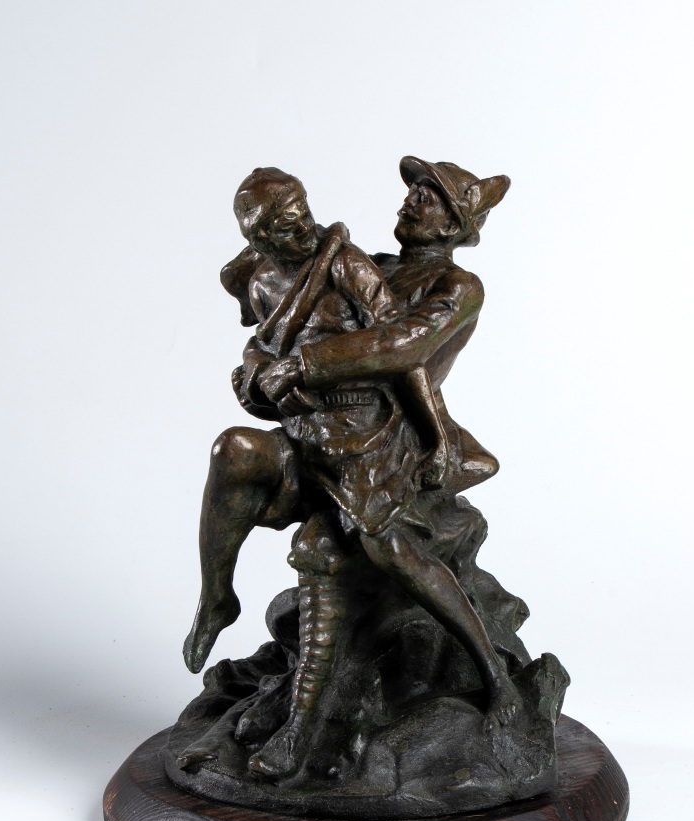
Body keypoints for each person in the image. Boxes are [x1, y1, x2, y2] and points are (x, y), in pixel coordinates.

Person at [183, 160, 521, 779]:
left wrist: (304, 366)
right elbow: (282, 326)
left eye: (429, 197)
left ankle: (488, 673)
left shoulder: (457, 286)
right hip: (313, 429)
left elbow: (402, 346)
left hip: (391, 443)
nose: (411, 201)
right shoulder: (361, 263)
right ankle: (216, 597)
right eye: (413, 190)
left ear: (456, 223)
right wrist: (257, 372)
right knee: (233, 451)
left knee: (376, 552)